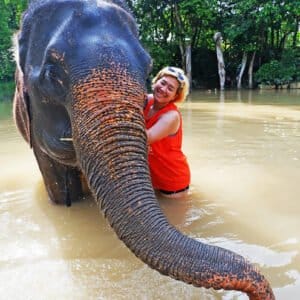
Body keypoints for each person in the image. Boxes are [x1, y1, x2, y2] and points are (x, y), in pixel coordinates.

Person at [144, 66, 191, 199]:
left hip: (173, 181)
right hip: (153, 178)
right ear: (156, 80)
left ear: (175, 96)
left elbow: (147, 137)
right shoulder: (146, 101)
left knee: (174, 219)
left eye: (170, 88)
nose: (163, 89)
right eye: (163, 83)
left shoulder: (171, 116)